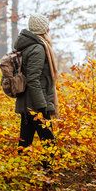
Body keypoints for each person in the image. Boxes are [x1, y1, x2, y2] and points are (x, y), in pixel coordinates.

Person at [13, 14, 59, 153]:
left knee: (25, 142)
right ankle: (49, 171)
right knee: (48, 141)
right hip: (35, 104)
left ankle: (20, 171)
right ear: (45, 30)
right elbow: (33, 80)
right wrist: (42, 106)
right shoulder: (37, 49)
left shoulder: (29, 46)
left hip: (28, 102)